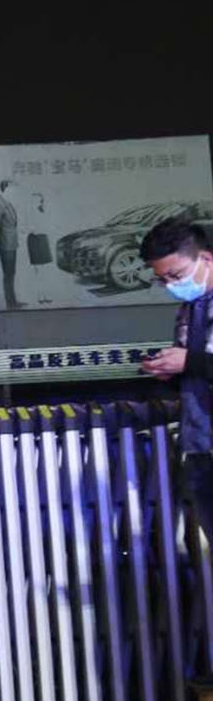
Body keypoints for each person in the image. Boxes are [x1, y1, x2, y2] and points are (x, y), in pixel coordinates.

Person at [139, 219, 213, 537]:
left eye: (176, 275)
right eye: (162, 279)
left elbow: (197, 363)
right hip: (201, 444)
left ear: (206, 259)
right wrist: (168, 371)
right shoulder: (188, 308)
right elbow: (195, 370)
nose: (170, 285)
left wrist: (190, 361)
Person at [0, 180, 21, 310]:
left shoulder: (8, 203)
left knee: (11, 272)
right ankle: (10, 304)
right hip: (5, 244)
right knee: (8, 273)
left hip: (11, 243)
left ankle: (13, 301)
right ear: (5, 189)